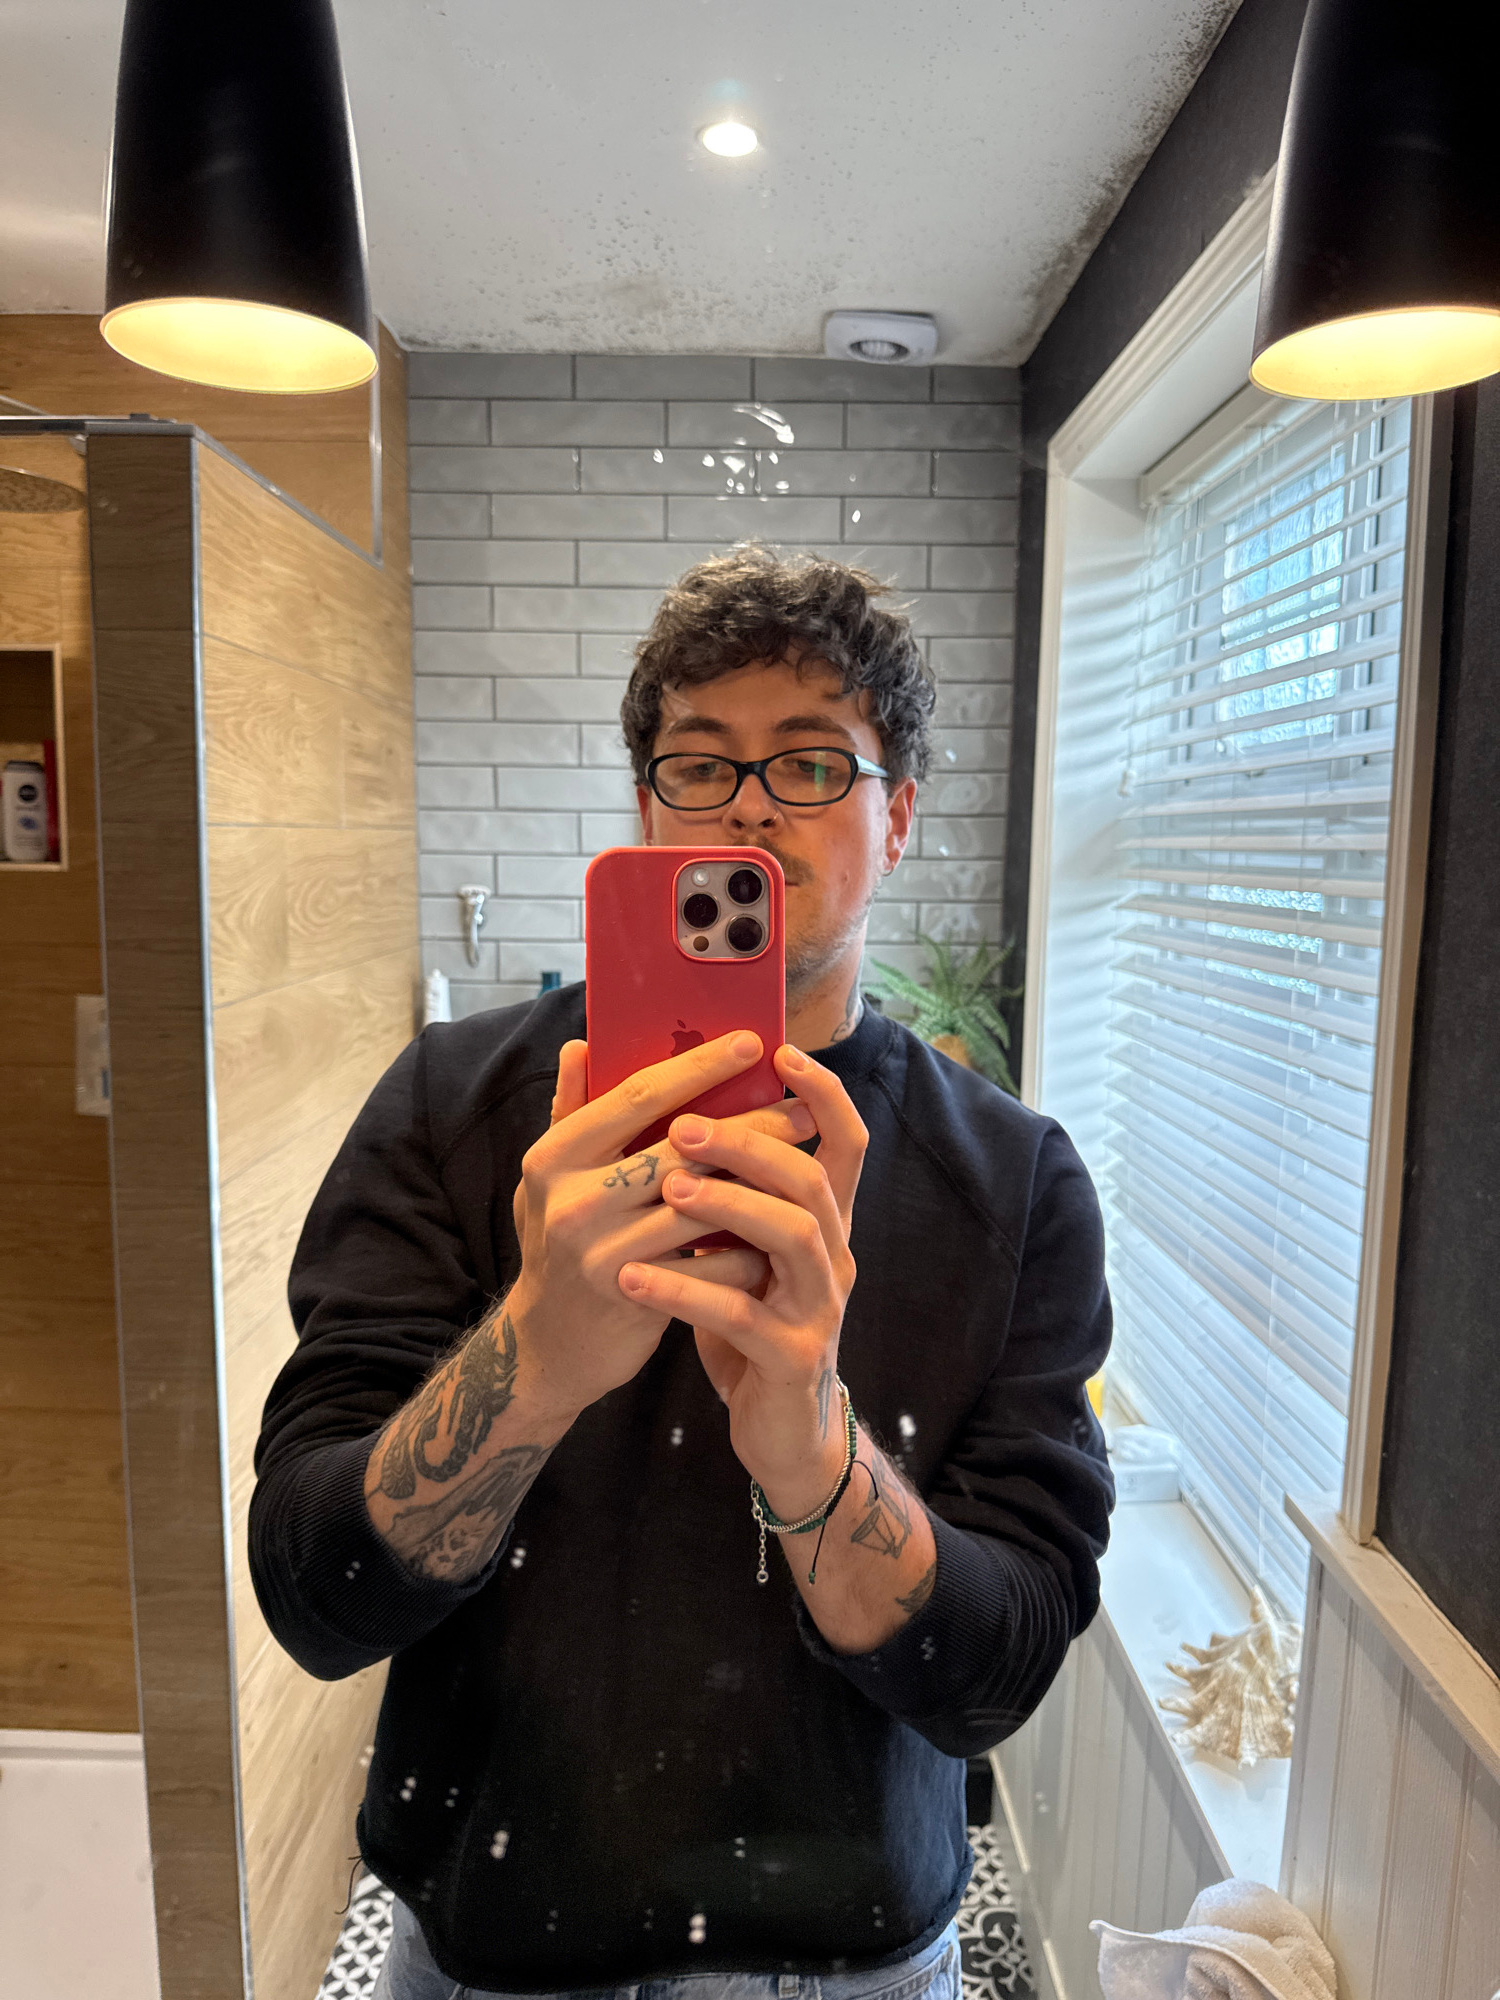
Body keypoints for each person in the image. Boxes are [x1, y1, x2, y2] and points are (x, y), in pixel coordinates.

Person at [250, 546, 1114, 2000]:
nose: (752, 807)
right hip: (489, 1957)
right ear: (648, 809)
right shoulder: (452, 1103)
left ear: (899, 818)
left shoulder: (1016, 1182)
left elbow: (998, 1675)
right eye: (701, 763)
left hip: (855, 1965)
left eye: (813, 763)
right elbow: (311, 1593)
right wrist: (533, 1361)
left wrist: (809, 1445)